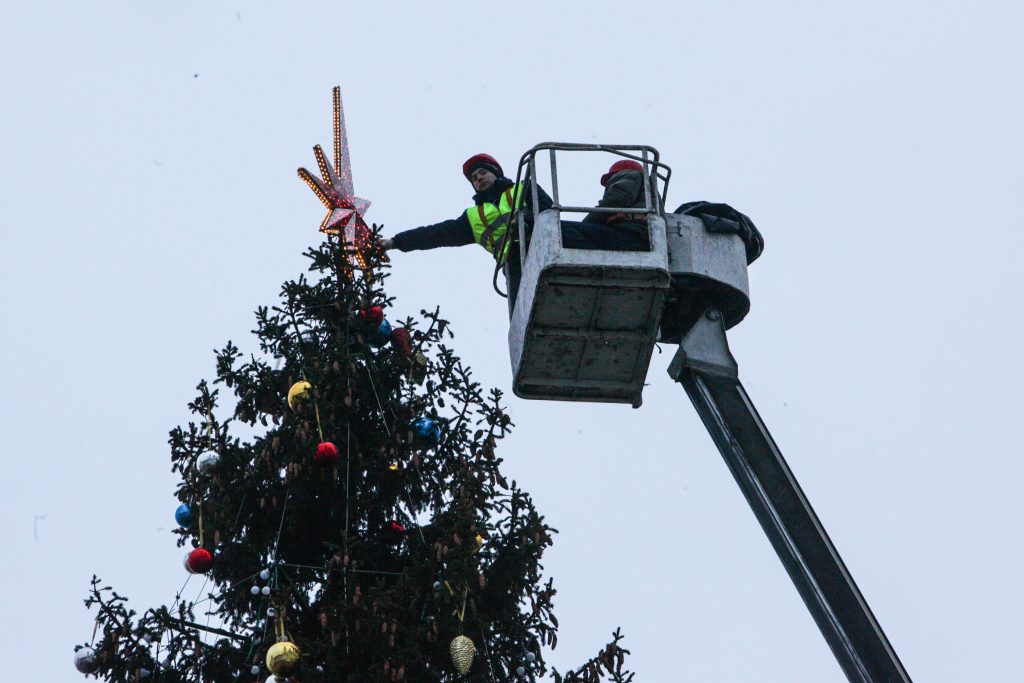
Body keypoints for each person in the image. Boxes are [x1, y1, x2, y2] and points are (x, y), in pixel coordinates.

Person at [382, 153, 552, 311]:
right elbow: (436, 234)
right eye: (474, 178)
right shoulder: (473, 217)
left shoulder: (522, 188)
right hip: (515, 265)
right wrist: (396, 242)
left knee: (572, 231)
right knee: (522, 314)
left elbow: (547, 210)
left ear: (496, 173)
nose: (479, 179)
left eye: (483, 172)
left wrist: (526, 220)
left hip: (543, 246)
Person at [560, 159, 653, 251]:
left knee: (559, 230)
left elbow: (615, 201)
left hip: (630, 233)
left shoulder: (630, 175)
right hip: (641, 236)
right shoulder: (647, 192)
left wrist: (586, 224)